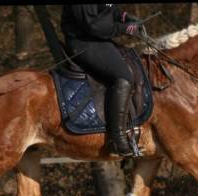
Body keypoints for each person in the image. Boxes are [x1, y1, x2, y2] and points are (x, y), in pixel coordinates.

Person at [61, 4, 144, 156]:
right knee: (123, 76)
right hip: (84, 41)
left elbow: (107, 8)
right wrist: (123, 28)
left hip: (99, 39)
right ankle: (117, 139)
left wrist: (124, 16)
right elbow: (92, 25)